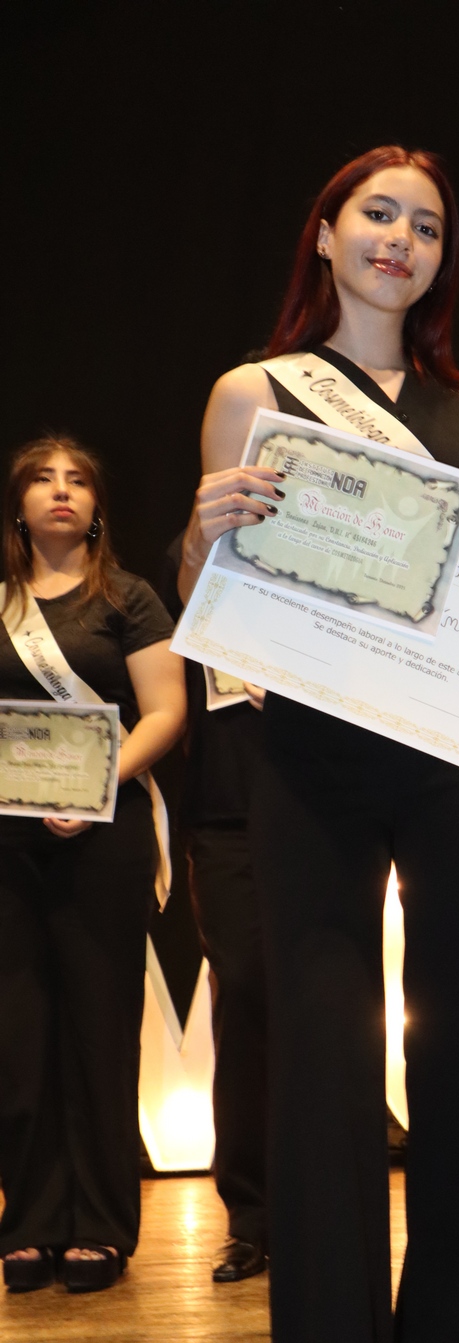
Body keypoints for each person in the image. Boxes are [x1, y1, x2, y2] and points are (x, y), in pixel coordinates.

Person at [179, 148, 459, 1343]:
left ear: (444, 258)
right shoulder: (253, 391)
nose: (401, 239)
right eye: (378, 214)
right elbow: (212, 590)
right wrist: (202, 531)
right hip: (308, 759)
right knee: (322, 1083)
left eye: (427, 225)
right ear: (325, 234)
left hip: (455, 756)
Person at [0, 437, 185, 1293]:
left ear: (98, 506)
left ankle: (102, 1225)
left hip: (104, 834)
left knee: (101, 1029)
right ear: (18, 505)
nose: (61, 492)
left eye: (78, 480)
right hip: (9, 845)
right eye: (43, 480)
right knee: (19, 1035)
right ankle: (31, 1223)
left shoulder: (130, 598)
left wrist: (96, 783)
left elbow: (165, 712)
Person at [160, 536, 268, 1283]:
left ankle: (325, 1208)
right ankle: (252, 1217)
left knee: (327, 1009)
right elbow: (188, 570)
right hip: (227, 816)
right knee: (247, 999)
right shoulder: (204, 545)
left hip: (327, 814)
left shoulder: (343, 548)